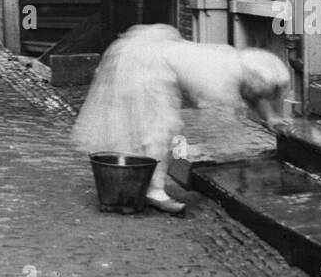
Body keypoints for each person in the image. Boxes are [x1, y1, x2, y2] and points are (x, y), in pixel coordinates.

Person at [72, 24, 290, 214]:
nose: (262, 95)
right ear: (255, 80)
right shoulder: (221, 79)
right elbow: (218, 125)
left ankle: (133, 184)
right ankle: (153, 192)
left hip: (150, 59)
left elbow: (253, 94)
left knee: (144, 128)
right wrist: (248, 161)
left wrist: (272, 118)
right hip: (147, 69)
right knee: (159, 129)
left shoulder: (238, 63)